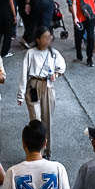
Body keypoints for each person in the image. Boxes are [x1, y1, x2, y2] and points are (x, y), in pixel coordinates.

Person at [17, 27, 66, 159]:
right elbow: (23, 74)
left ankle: (47, 151)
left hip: (48, 86)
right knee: (36, 121)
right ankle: (36, 151)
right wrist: (20, 94)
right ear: (38, 39)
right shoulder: (30, 53)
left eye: (49, 37)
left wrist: (56, 74)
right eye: (45, 37)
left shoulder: (54, 53)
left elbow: (62, 67)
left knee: (47, 120)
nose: (48, 39)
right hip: (33, 86)